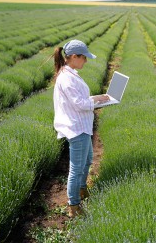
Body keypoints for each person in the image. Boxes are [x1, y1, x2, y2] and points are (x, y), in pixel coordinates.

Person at [53, 39, 109, 218]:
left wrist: (100, 97)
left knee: (88, 160)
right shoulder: (66, 78)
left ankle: (82, 189)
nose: (85, 61)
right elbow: (80, 104)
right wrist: (98, 104)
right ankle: (74, 205)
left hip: (82, 125)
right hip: (76, 128)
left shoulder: (71, 73)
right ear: (74, 57)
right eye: (84, 58)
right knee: (76, 168)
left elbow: (81, 98)